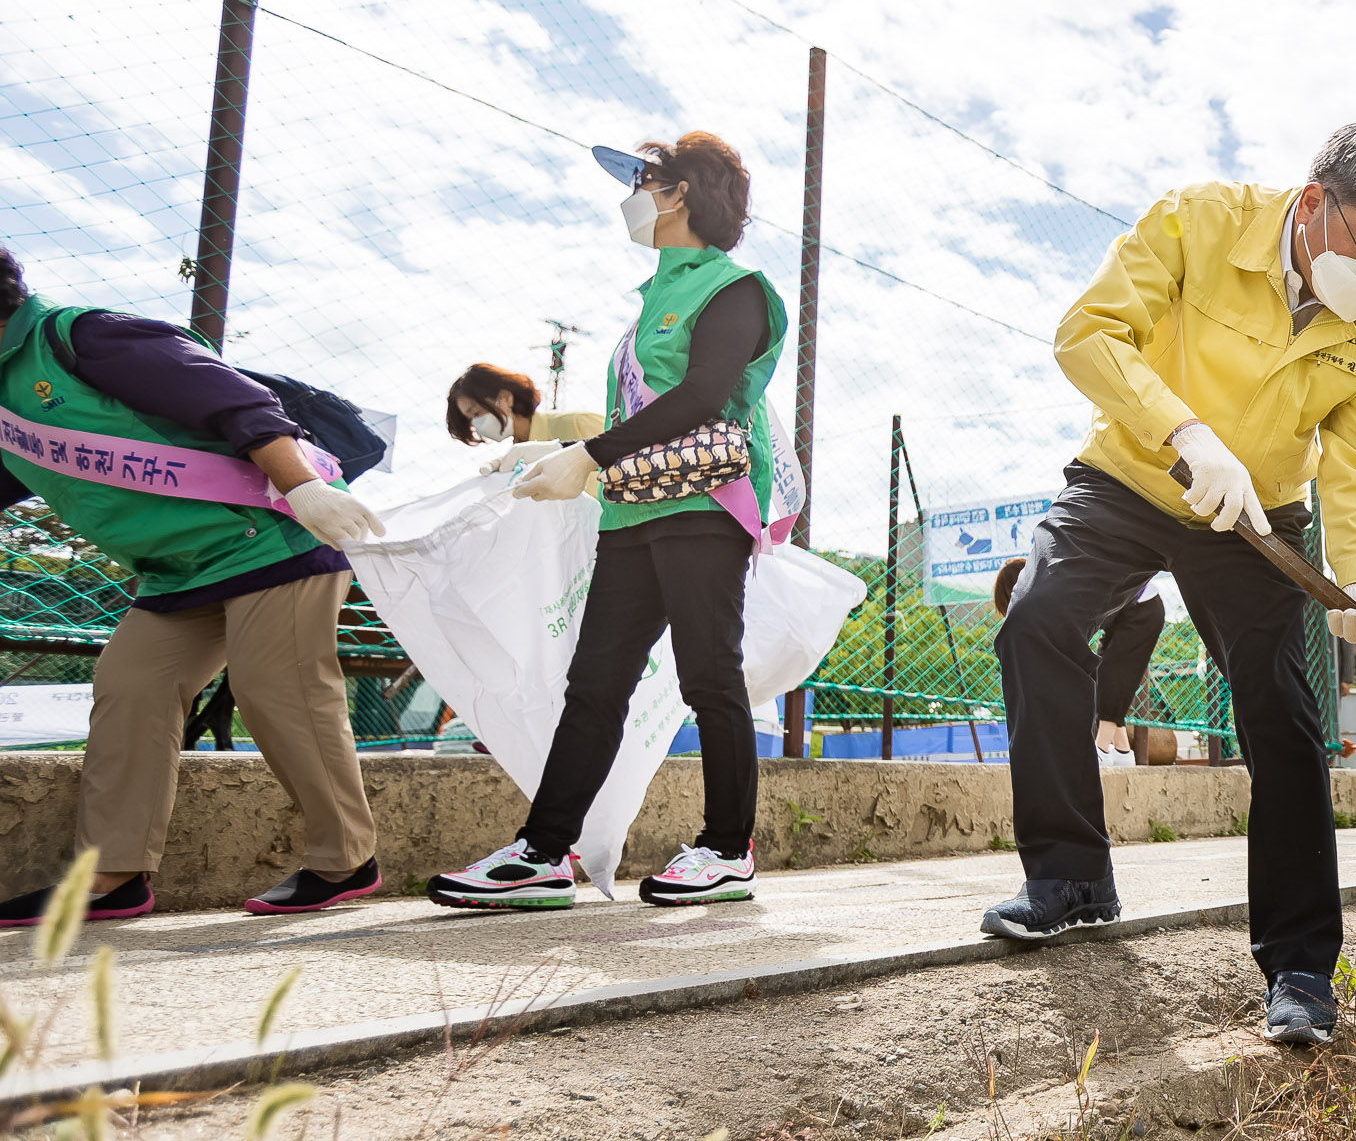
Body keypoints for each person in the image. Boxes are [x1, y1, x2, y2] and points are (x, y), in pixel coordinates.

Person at [984, 122, 1356, 1050]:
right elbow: (1087, 334)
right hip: (1134, 472)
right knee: (1037, 619)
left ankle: (1299, 964)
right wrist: (1185, 433)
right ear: (1317, 201)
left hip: (1261, 518)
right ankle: (1070, 877)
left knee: (1283, 712)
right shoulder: (1199, 221)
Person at [436, 133, 787, 911]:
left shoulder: (736, 288)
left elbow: (701, 395)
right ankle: (542, 851)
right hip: (632, 513)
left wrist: (587, 455)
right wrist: (573, 458)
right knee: (594, 683)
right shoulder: (650, 300)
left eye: (643, 182)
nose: (630, 197)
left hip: (702, 508)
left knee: (709, 677)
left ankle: (729, 850)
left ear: (681, 194)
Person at [0, 246, 389, 924]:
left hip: (269, 538)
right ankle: (113, 876)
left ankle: (344, 859)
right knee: (129, 688)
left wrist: (305, 490)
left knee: (281, 691)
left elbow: (233, 399)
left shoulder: (80, 337)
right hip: (177, 570)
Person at [993, 556, 1165, 767]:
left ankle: (1100, 749)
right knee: (1105, 676)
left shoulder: (1058, 586)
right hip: (1120, 616)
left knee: (1115, 676)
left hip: (1142, 607)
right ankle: (1122, 752)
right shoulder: (1052, 589)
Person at [445, 362, 604, 449]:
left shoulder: (576, 425)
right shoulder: (515, 462)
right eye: (470, 420)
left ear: (506, 398)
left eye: (477, 413)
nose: (476, 425)